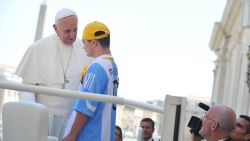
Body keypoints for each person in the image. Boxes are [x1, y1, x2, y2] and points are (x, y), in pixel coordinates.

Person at [15, 8, 91, 140]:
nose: (72, 35)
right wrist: (33, 114)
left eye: (75, 30)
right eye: (67, 31)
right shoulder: (38, 48)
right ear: (56, 28)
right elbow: (27, 88)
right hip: (44, 117)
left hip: (72, 119)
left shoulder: (85, 49)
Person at [62, 21, 118, 141]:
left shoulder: (97, 67)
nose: (83, 46)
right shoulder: (112, 66)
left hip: (89, 136)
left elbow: (86, 106)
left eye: (85, 42)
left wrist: (71, 135)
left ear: (94, 42)